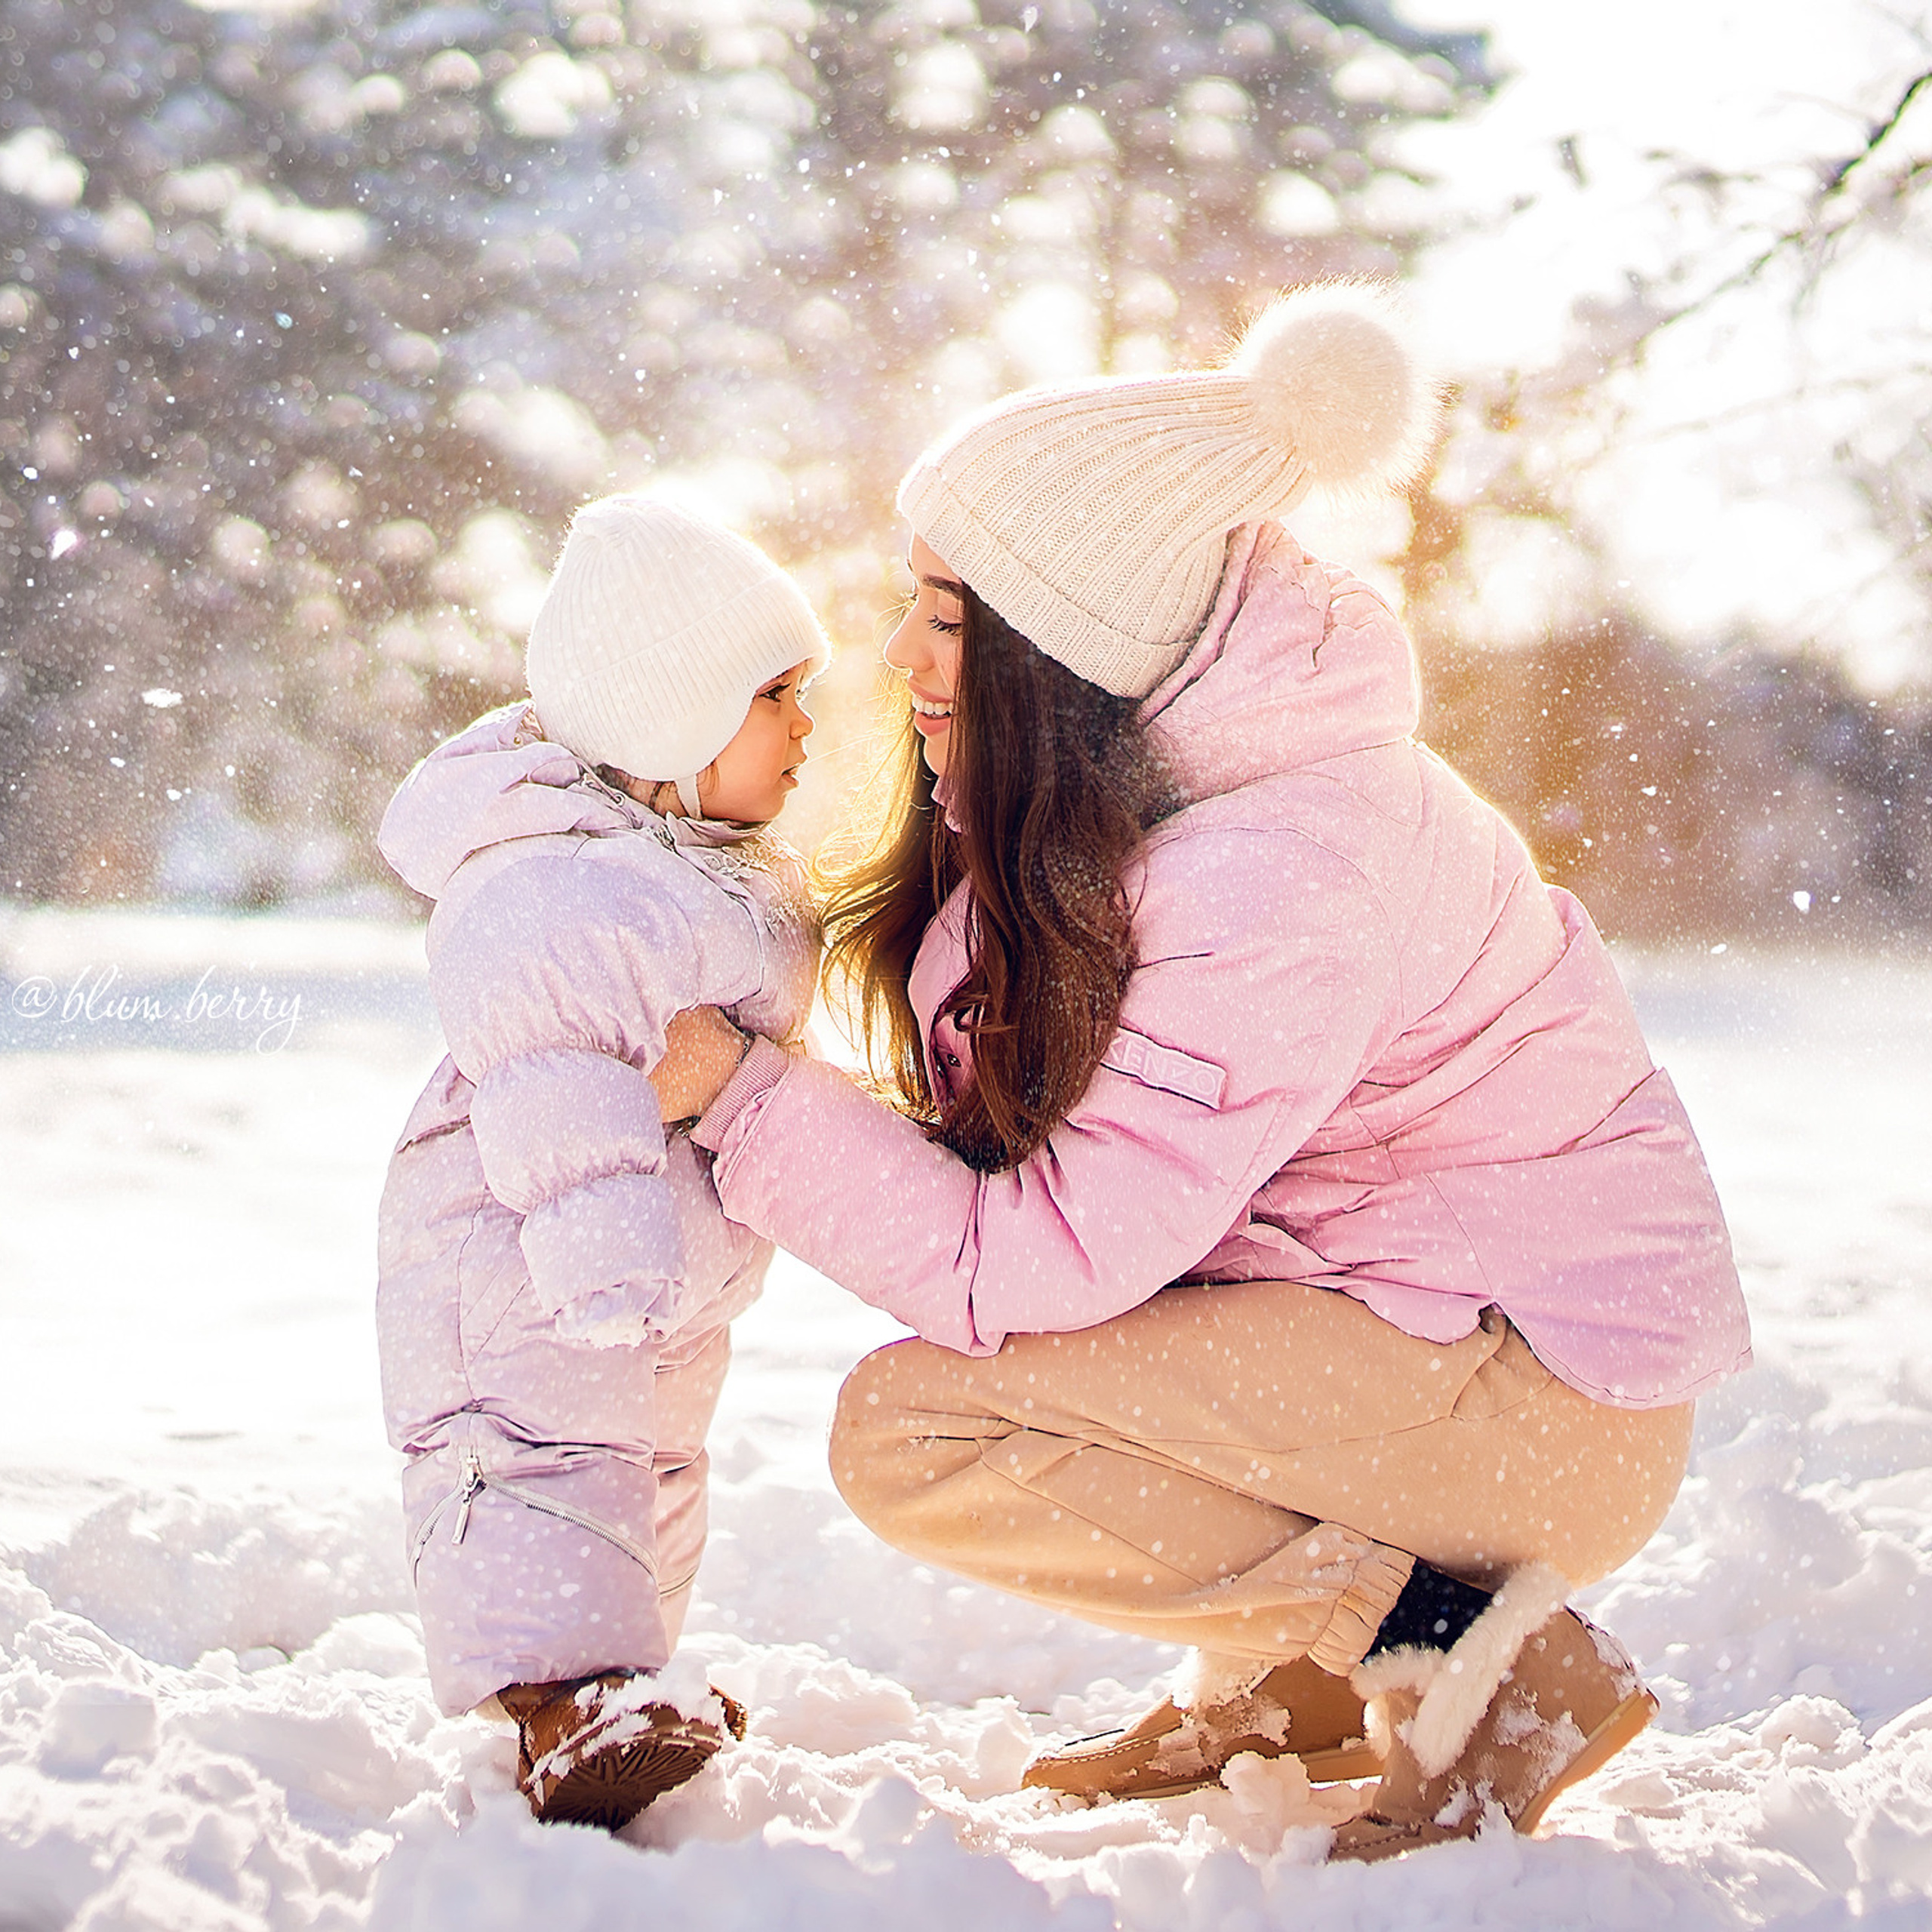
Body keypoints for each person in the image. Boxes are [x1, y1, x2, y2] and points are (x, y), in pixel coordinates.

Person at [656, 284, 1750, 1860]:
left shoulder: (1281, 871)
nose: (897, 649)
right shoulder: (1162, 807)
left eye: (949, 615)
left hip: (1540, 1394)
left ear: (1070, 652)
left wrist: (752, 1105)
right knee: (1017, 1376)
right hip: (1424, 1342)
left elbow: (1036, 1256)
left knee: (918, 1427)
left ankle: (1469, 1656)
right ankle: (1286, 1692)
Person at [374, 495, 826, 1829]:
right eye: (775, 697)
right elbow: (556, 1059)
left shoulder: (677, 865)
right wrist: (600, 1245)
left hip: (643, 1263)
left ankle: (623, 1682)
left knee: (644, 1460)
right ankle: (567, 1706)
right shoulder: (562, 886)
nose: (807, 728)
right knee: (537, 1464)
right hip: (523, 1244)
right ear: (672, 725)